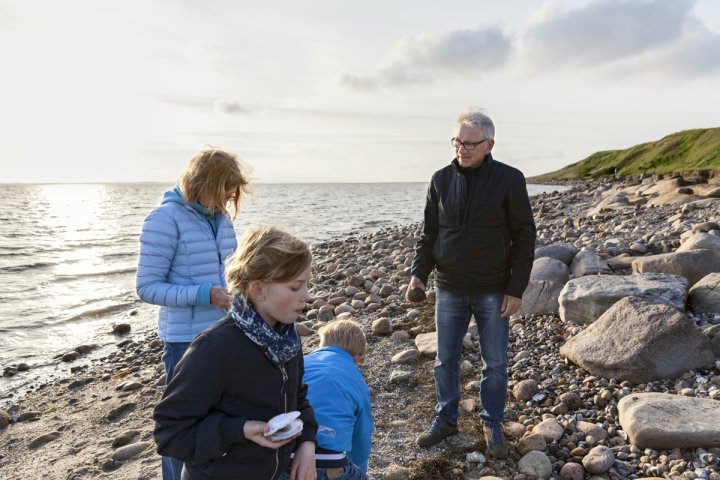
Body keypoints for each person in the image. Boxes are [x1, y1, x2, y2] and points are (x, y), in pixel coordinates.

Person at [407, 108, 536, 458]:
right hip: (449, 286)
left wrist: (516, 288)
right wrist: (419, 274)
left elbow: (524, 237)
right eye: (457, 142)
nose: (461, 149)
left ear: (488, 144)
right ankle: (445, 418)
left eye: (469, 143)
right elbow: (429, 235)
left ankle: (492, 421)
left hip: (493, 288)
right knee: (444, 359)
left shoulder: (509, 179)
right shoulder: (440, 180)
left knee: (494, 362)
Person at [153, 226, 318, 480]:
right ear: (258, 290)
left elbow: (298, 400)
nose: (307, 296)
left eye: (307, 284)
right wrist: (238, 430)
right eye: (295, 287)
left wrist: (307, 443)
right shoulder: (214, 348)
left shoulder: (286, 340)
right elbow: (170, 432)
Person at [136, 147, 250, 480]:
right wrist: (205, 295)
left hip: (226, 334)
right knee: (182, 429)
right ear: (200, 183)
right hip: (183, 342)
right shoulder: (163, 219)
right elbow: (147, 287)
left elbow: (230, 271)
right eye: (223, 193)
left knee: (218, 422)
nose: (227, 202)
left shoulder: (222, 219)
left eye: (231, 196)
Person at [302, 320, 373, 480]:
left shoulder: (301, 363)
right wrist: (360, 468)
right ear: (359, 356)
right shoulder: (357, 381)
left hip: (282, 455)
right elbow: (361, 436)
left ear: (322, 344)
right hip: (328, 463)